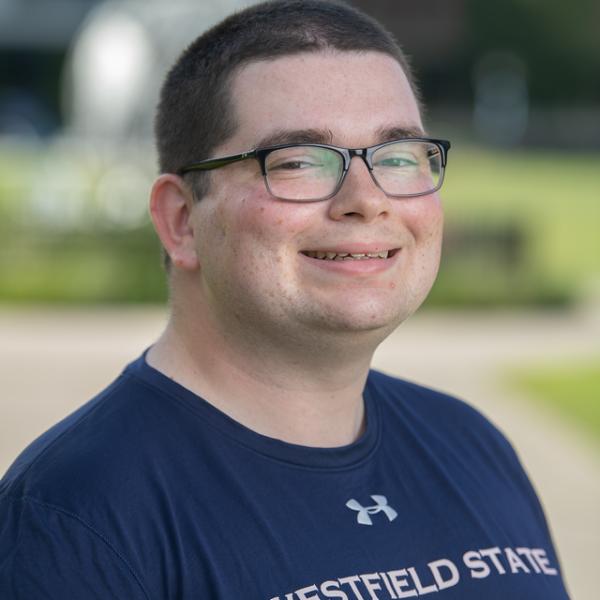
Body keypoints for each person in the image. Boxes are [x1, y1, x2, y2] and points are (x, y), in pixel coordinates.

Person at [0, 1, 570, 598]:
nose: (366, 200)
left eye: (398, 156)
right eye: (298, 161)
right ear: (182, 220)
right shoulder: (75, 520)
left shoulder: (471, 446)